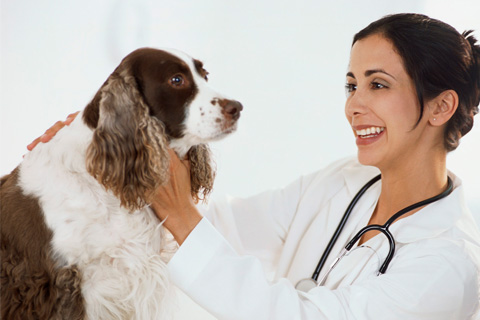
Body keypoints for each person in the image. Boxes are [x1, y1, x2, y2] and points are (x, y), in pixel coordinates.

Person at [29, 13, 480, 319]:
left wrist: (182, 214)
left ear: (441, 107)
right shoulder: (345, 182)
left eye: (378, 84)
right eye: (351, 85)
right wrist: (86, 151)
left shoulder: (447, 265)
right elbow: (220, 230)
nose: (354, 106)